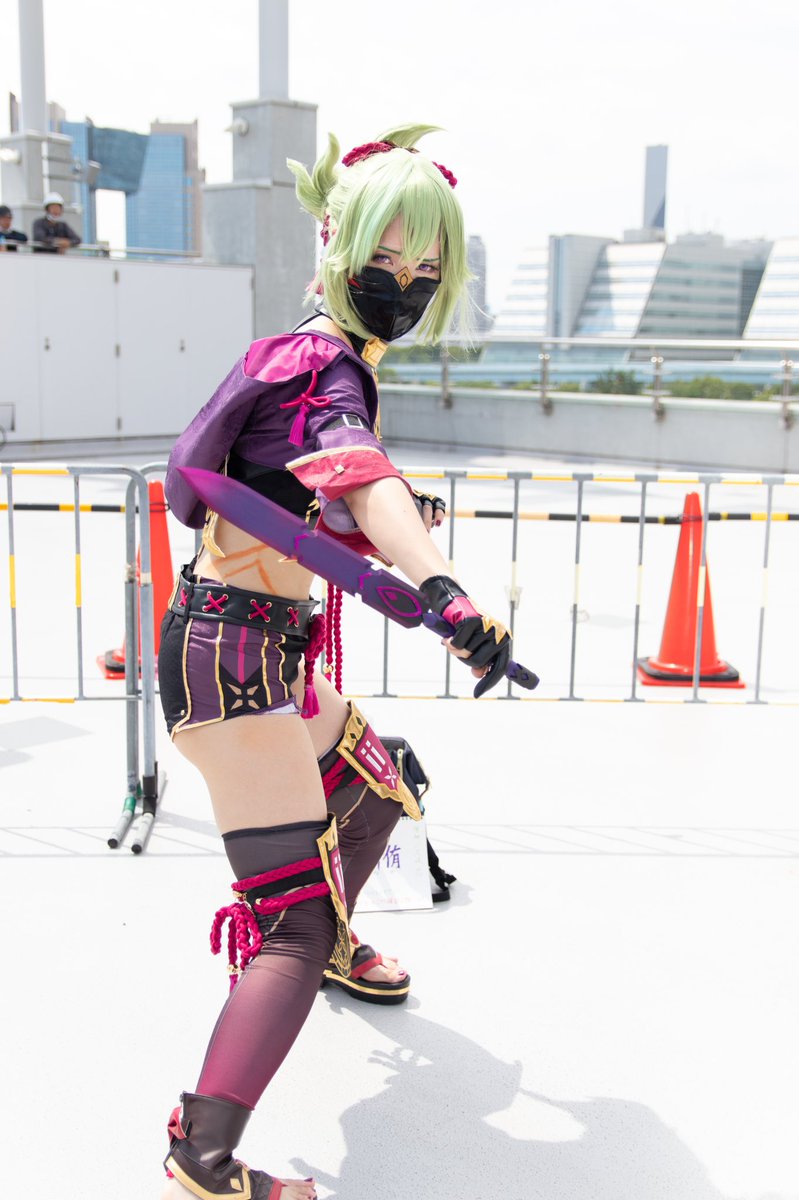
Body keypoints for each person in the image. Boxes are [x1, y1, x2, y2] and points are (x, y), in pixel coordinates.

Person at [158, 123, 512, 1200]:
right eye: (385, 261)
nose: (404, 284)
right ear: (335, 247)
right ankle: (201, 1156)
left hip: (259, 649)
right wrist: (441, 586)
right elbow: (358, 475)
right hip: (234, 663)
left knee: (377, 778)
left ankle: (338, 941)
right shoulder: (320, 363)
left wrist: (376, 527)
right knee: (290, 923)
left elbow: (272, 485)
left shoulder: (306, 357)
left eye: (427, 269)